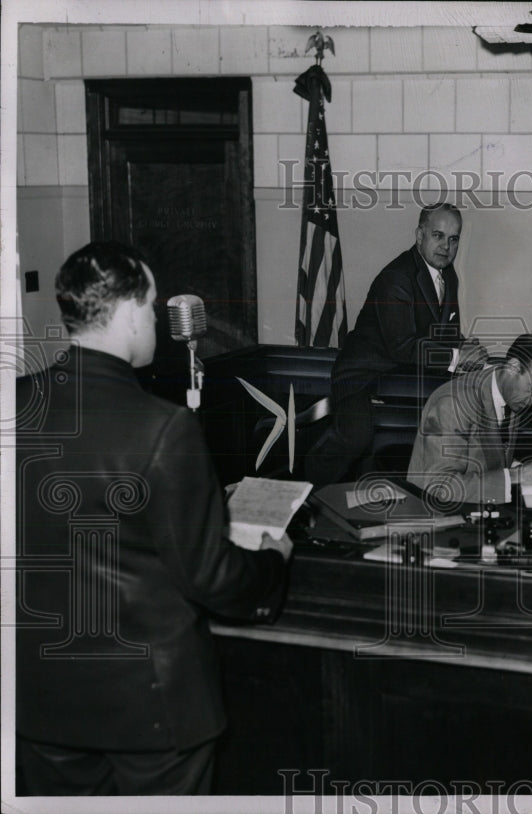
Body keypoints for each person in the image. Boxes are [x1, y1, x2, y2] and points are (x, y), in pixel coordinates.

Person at [16, 242, 293, 796]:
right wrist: (271, 563)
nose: (156, 322)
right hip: (155, 711)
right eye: (150, 307)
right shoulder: (164, 429)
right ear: (124, 314)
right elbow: (211, 578)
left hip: (41, 703)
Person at [304, 202, 488, 486]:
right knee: (356, 438)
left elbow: (443, 334)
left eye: (453, 239)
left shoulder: (447, 274)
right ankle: (304, 490)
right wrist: (457, 357)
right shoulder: (396, 278)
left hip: (403, 375)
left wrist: (467, 348)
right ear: (419, 235)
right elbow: (402, 346)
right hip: (363, 375)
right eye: (438, 236)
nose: (446, 246)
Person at [408, 333, 532, 505]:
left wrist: (524, 470)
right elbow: (440, 487)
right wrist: (517, 476)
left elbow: (487, 460)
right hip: (435, 513)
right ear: (513, 367)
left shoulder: (509, 393)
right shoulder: (453, 403)